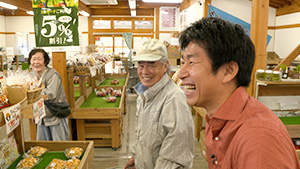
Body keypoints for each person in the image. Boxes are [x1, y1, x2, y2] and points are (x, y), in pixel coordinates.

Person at [178, 17, 300, 168]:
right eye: (183, 62)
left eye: (191, 62)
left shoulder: (258, 137)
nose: (180, 74)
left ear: (228, 71)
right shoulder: (215, 120)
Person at [124, 39, 194, 169]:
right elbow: (143, 135)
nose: (144, 71)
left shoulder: (174, 100)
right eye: (141, 65)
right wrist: (136, 157)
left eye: (151, 65)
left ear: (165, 66)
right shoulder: (143, 95)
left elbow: (175, 158)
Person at [28, 48, 70, 141]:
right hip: (41, 116)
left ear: (45, 61)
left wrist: (34, 92)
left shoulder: (52, 74)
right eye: (33, 59)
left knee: (59, 143)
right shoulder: (31, 75)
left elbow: (51, 94)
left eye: (39, 59)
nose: (36, 62)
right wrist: (34, 114)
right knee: (43, 144)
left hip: (56, 113)